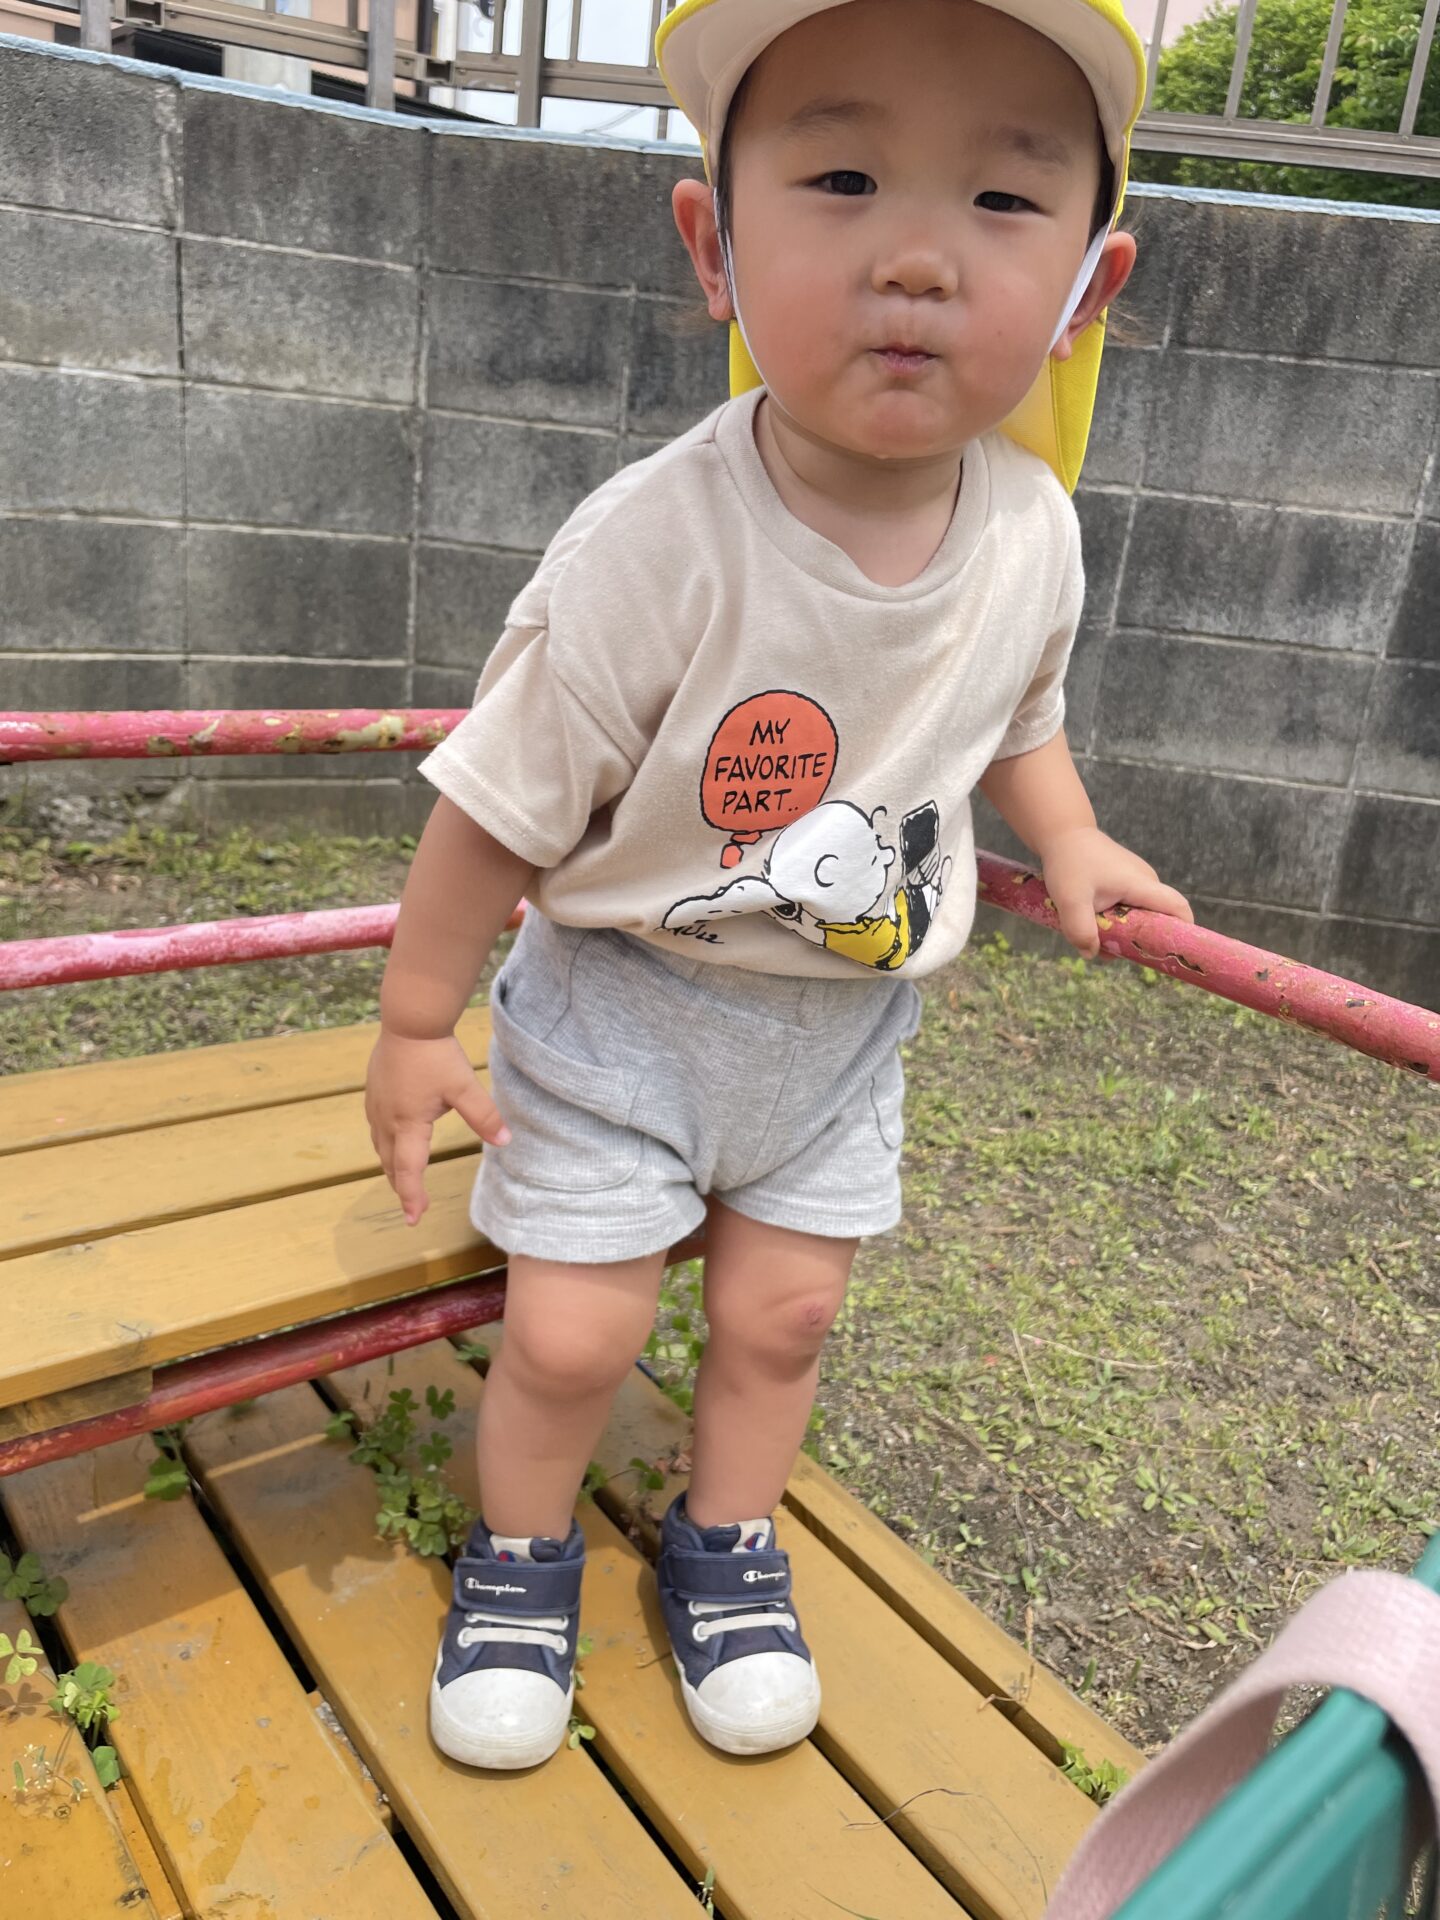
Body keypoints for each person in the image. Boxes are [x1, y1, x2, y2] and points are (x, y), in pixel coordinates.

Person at [365, 0, 1194, 1773]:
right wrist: (417, 1019)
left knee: (786, 1313)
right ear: (713, 244)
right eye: (840, 179)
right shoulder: (655, 543)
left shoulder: (1035, 527)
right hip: (623, 1016)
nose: (916, 259)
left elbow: (1016, 716)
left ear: (1089, 285)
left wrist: (1066, 832)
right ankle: (518, 1563)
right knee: (574, 1333)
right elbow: (498, 803)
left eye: (1002, 200)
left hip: (841, 1034)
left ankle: (725, 1545)